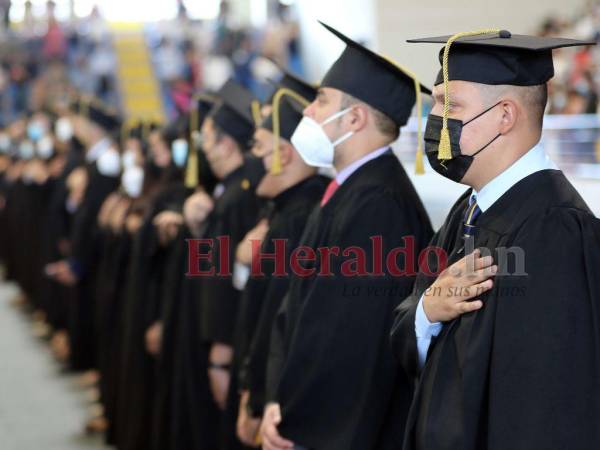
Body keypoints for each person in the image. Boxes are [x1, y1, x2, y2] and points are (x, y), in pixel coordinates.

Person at [390, 29, 600, 450]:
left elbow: (547, 410)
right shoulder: (469, 208)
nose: (436, 121)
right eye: (435, 104)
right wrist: (428, 309)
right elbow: (412, 321)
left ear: (506, 115)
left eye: (450, 105)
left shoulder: (554, 230)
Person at [260, 22, 433, 450]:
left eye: (321, 100)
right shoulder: (350, 189)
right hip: (301, 412)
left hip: (336, 429)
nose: (307, 111)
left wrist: (294, 418)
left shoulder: (380, 205)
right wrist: (274, 400)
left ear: (354, 118)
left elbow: (349, 339)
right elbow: (297, 308)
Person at [233, 81, 329, 447]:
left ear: (284, 154)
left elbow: (276, 314)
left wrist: (256, 396)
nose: (251, 158)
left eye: (257, 147)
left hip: (278, 394)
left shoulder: (295, 219)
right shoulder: (289, 207)